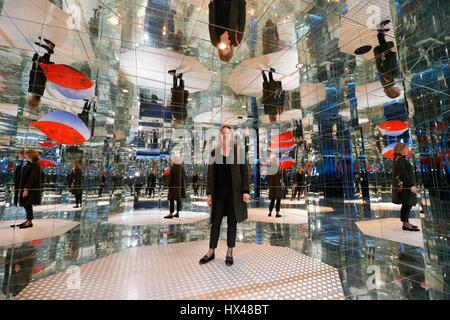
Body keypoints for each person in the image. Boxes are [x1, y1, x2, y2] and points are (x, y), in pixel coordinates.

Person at [199, 125, 250, 266]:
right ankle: (211, 251)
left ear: (231, 135)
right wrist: (209, 193)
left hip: (234, 193)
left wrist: (246, 190)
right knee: (215, 222)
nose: (225, 135)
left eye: (228, 133)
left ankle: (230, 252)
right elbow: (210, 175)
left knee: (232, 222)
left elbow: (245, 172)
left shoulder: (238, 152)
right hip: (219, 193)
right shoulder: (214, 153)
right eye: (223, 133)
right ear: (220, 136)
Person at [11, 149, 42, 229]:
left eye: (27, 154)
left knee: (27, 204)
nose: (26, 155)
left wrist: (26, 188)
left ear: (31, 155)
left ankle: (29, 221)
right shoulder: (32, 164)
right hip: (28, 188)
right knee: (26, 205)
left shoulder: (35, 165)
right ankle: (28, 220)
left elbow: (32, 178)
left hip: (30, 189)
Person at [391, 143, 419, 231]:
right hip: (406, 186)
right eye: (406, 148)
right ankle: (405, 224)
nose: (408, 149)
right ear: (401, 149)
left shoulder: (400, 158)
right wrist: (411, 185)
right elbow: (403, 173)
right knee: (407, 204)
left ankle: (406, 222)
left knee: (407, 204)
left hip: (406, 185)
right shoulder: (400, 159)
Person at [373, 20, 401, 99]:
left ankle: (381, 27)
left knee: (383, 44)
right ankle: (381, 32)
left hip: (386, 56)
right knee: (383, 43)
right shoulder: (385, 84)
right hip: (383, 57)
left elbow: (387, 64)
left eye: (398, 91)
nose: (399, 89)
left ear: (394, 91)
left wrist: (393, 53)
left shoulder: (389, 79)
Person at [28, 37, 55, 107]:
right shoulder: (36, 92)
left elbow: (32, 78)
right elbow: (38, 80)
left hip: (39, 71)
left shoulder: (35, 92)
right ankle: (50, 48)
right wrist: (37, 66)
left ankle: (49, 49)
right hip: (40, 71)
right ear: (33, 101)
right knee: (43, 61)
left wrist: (34, 66)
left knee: (39, 58)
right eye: (30, 101)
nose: (29, 99)